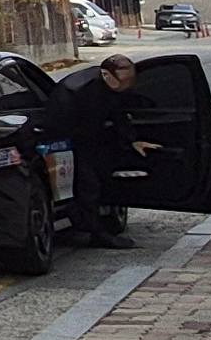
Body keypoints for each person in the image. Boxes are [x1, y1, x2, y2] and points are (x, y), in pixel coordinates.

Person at [50, 52, 155, 248]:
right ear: (107, 75)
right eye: (123, 81)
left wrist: (133, 140)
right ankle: (94, 232)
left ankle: (99, 223)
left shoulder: (111, 88)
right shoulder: (76, 91)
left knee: (101, 179)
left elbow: (118, 113)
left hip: (92, 137)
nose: (127, 86)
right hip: (68, 140)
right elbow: (62, 125)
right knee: (87, 185)